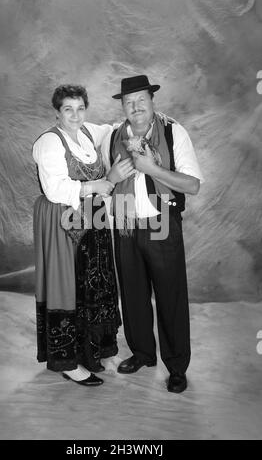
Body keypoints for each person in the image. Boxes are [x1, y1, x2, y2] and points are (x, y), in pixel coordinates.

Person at [105, 75, 204, 393]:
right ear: (122, 105)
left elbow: (193, 185)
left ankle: (176, 366)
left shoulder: (174, 132)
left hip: (162, 221)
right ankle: (142, 353)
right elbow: (107, 184)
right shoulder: (112, 137)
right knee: (132, 295)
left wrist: (154, 170)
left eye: (141, 100)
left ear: (152, 101)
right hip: (125, 223)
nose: (135, 107)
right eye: (128, 102)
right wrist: (111, 175)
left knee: (170, 297)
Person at [32, 84, 133, 386]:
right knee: (68, 285)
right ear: (57, 111)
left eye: (80, 108)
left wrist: (143, 122)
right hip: (64, 218)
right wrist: (103, 183)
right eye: (67, 109)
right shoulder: (49, 143)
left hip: (94, 217)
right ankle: (68, 361)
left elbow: (114, 129)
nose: (75, 115)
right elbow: (55, 189)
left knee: (94, 279)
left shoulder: (88, 131)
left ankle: (91, 351)